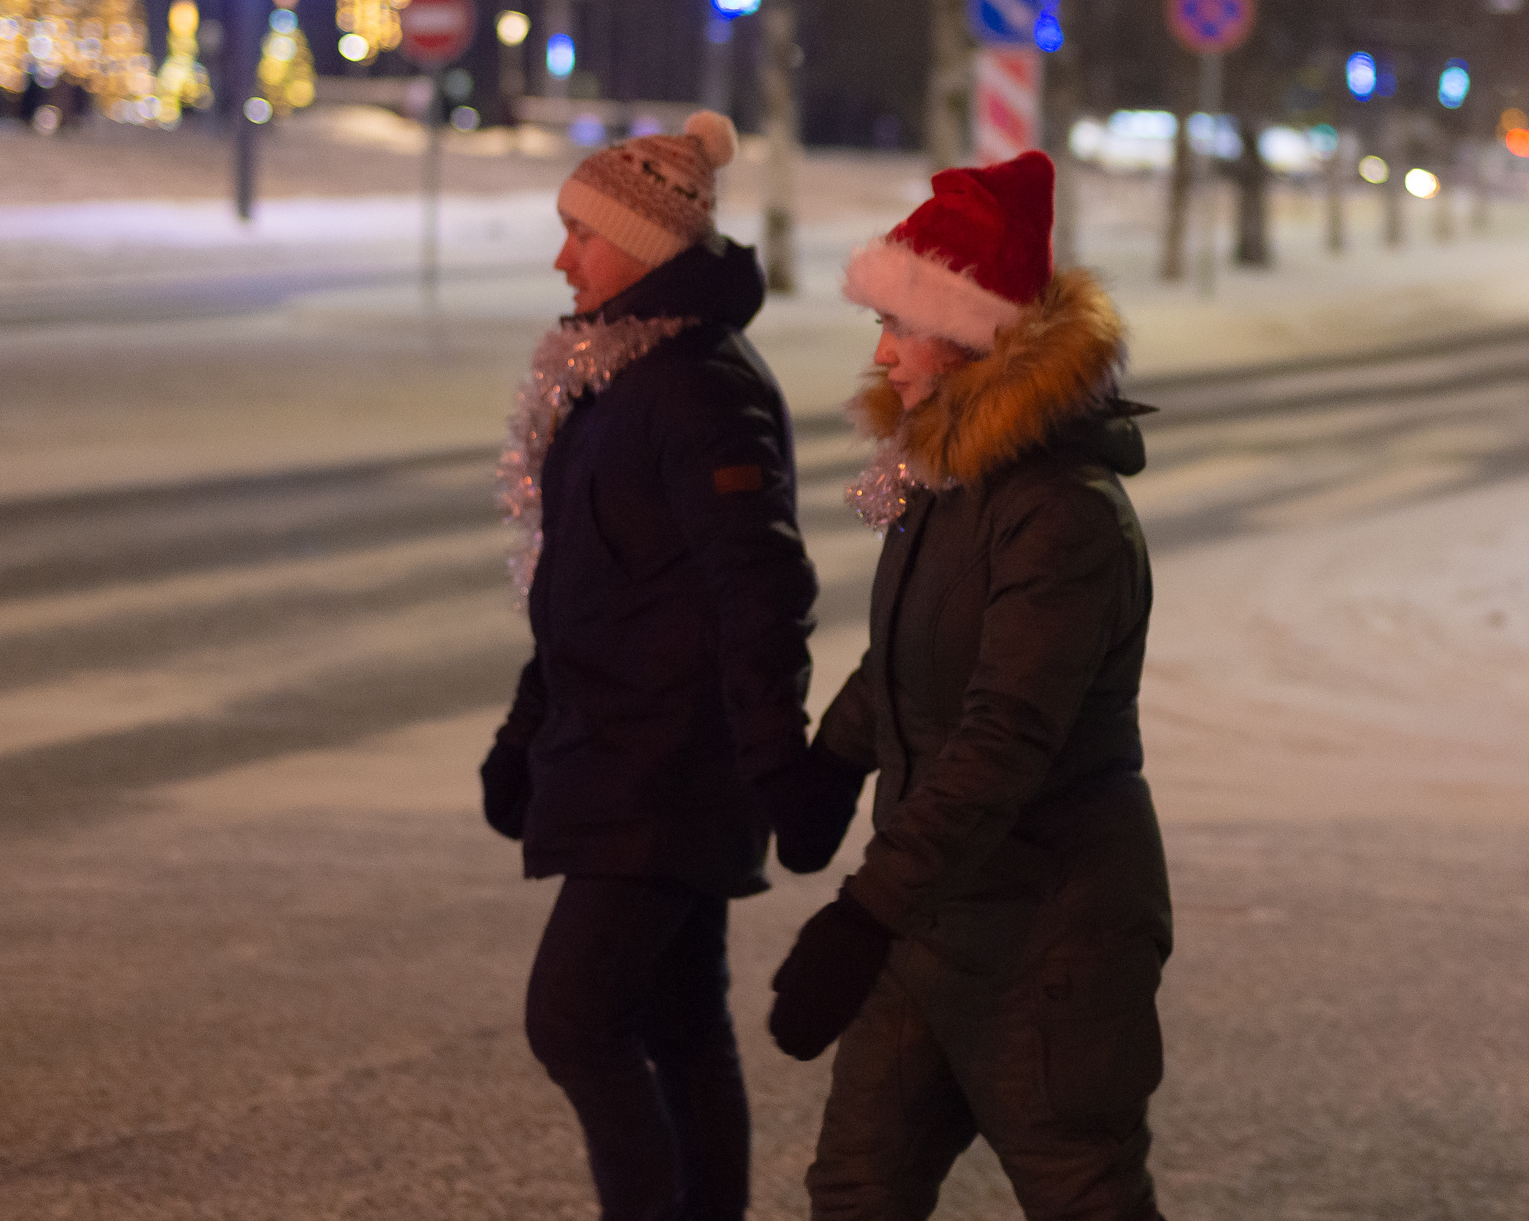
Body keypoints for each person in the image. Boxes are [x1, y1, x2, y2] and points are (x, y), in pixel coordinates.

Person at [764, 150, 1174, 1221]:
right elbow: (910, 661)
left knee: (1082, 1194)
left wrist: (861, 916)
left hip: (1051, 935)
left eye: (900, 324)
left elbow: (999, 742)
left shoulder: (1061, 514)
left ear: (975, 337)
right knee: (856, 1190)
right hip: (933, 916)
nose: (883, 353)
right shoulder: (945, 478)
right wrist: (829, 766)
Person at [481, 109, 840, 1221]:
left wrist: (776, 761)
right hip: (620, 753)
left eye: (578, 236)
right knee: (680, 1025)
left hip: (668, 763)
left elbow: (759, 586)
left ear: (638, 246)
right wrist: (526, 734)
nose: (561, 259)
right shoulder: (616, 379)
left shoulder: (697, 387)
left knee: (576, 1020)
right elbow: (581, 591)